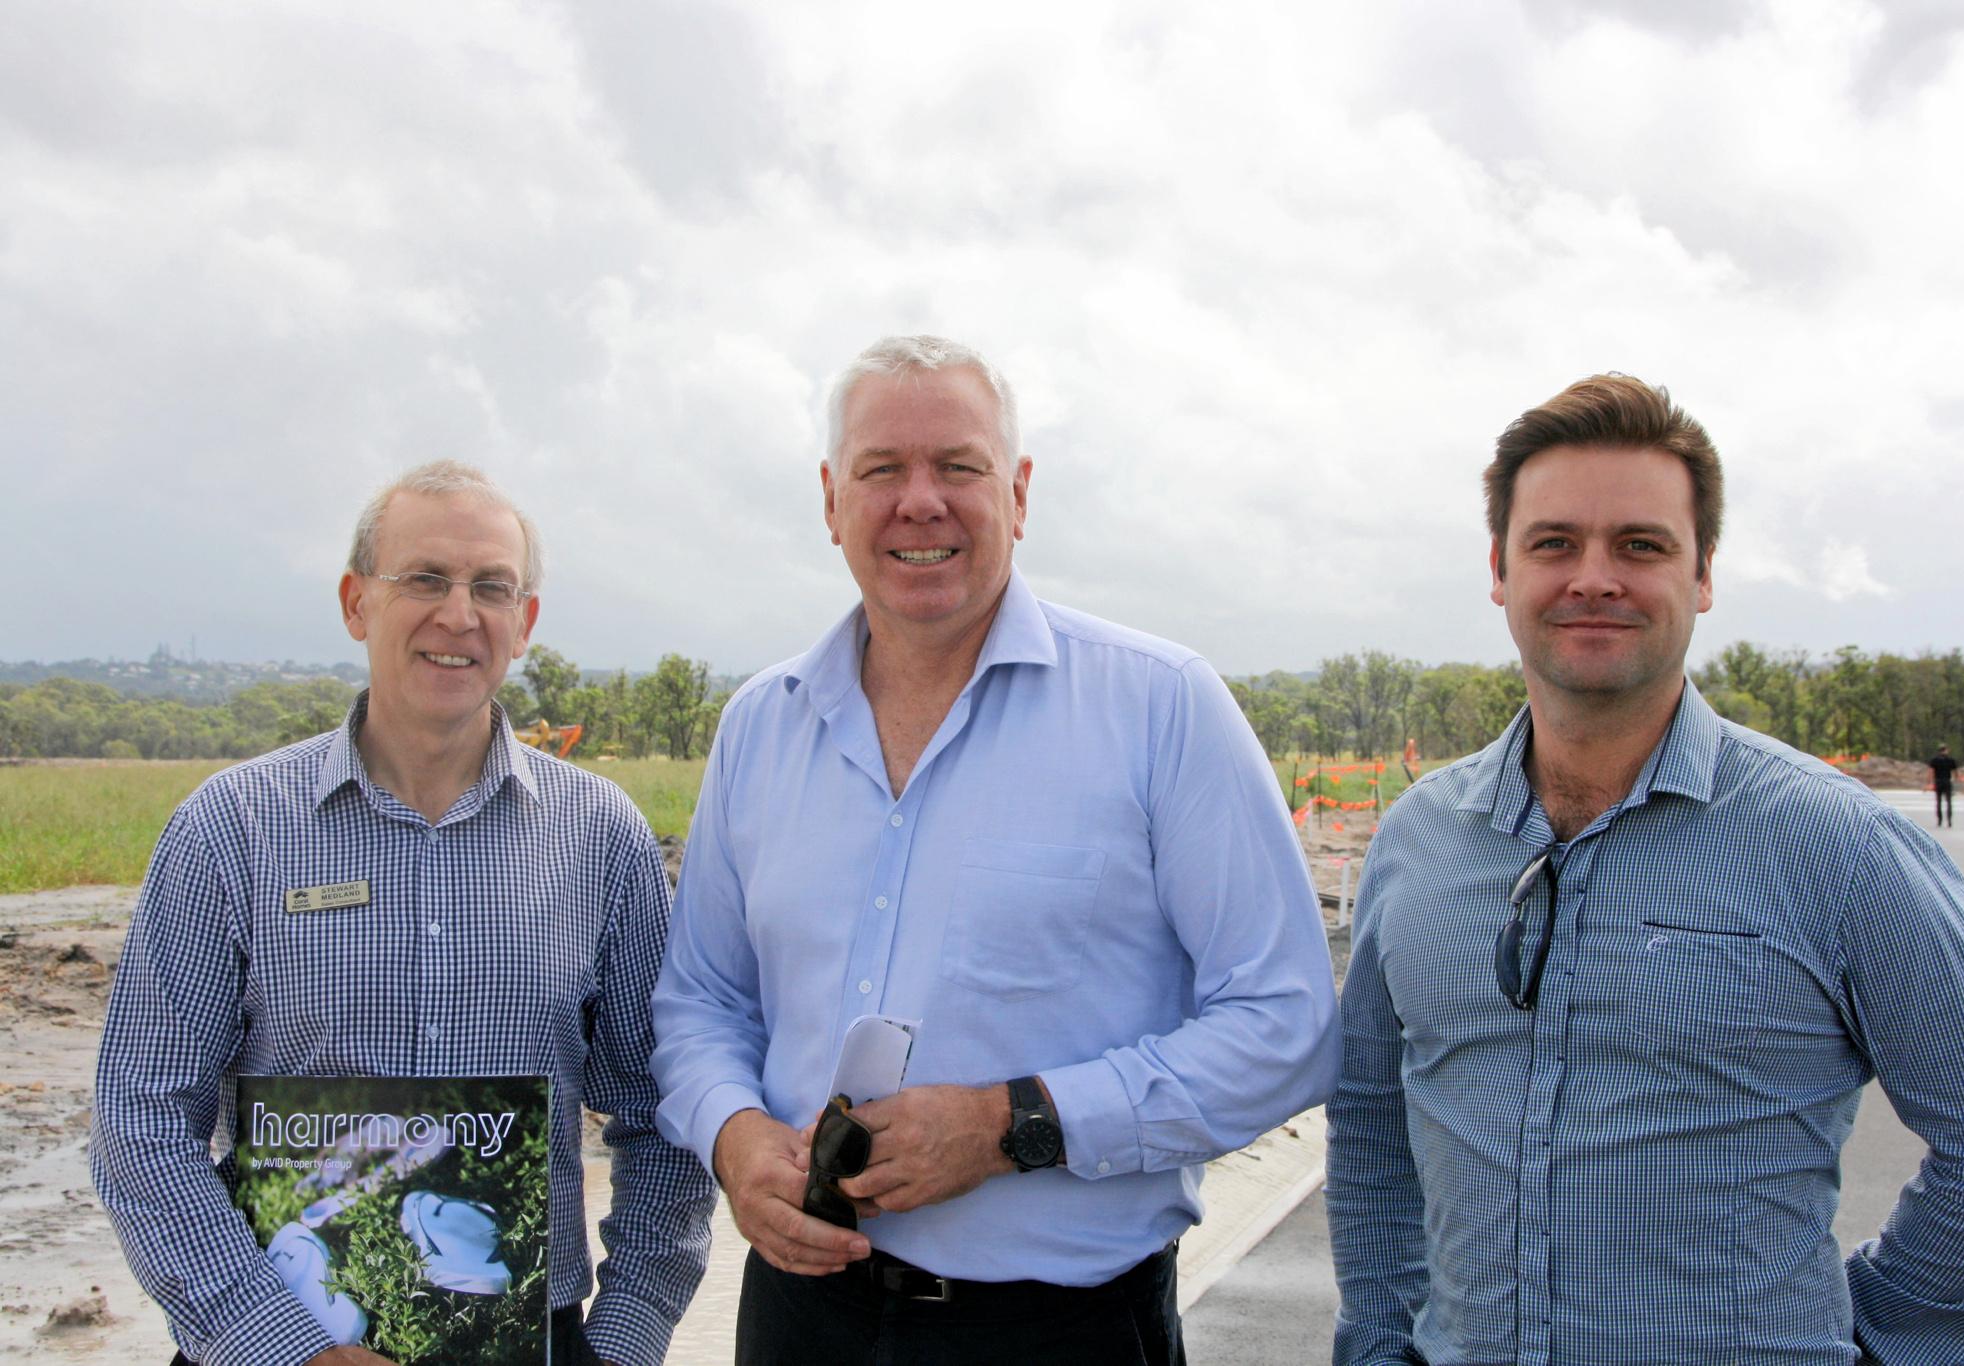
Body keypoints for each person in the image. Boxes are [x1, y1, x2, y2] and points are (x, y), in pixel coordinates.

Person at [1326, 375, 1964, 1365]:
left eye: (1639, 544)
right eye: (1552, 543)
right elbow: (1372, 1121)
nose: (1592, 576)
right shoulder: (1418, 840)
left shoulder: (1833, 847)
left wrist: (1879, 1338)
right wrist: (1372, 1344)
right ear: (1497, 569)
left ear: (1701, 574)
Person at [651, 334, 1338, 1364]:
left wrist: (1012, 1125)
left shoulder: (1159, 708)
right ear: (830, 498)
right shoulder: (761, 724)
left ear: (1016, 494)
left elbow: (1284, 1022)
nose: (918, 501)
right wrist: (731, 1133)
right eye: (882, 469)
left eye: (957, 467)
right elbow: (700, 998)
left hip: (1059, 1329)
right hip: (799, 1318)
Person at [91, 462, 714, 1366]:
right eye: (424, 579)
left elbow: (662, 1114)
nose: (458, 615)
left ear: (525, 623)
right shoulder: (229, 830)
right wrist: (273, 1341)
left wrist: (623, 1340)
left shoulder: (601, 837)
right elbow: (140, 1120)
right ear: (356, 603)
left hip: (529, 1341)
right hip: (275, 1339)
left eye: (491, 588)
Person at [1928, 743, 1959, 826]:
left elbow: (1931, 771)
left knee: (1938, 801)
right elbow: (1955, 772)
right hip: (1947, 781)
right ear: (1946, 750)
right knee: (1949, 801)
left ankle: (1939, 820)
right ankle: (1949, 820)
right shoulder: (1951, 760)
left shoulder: (1934, 760)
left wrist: (1931, 782)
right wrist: (1956, 780)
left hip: (1938, 781)